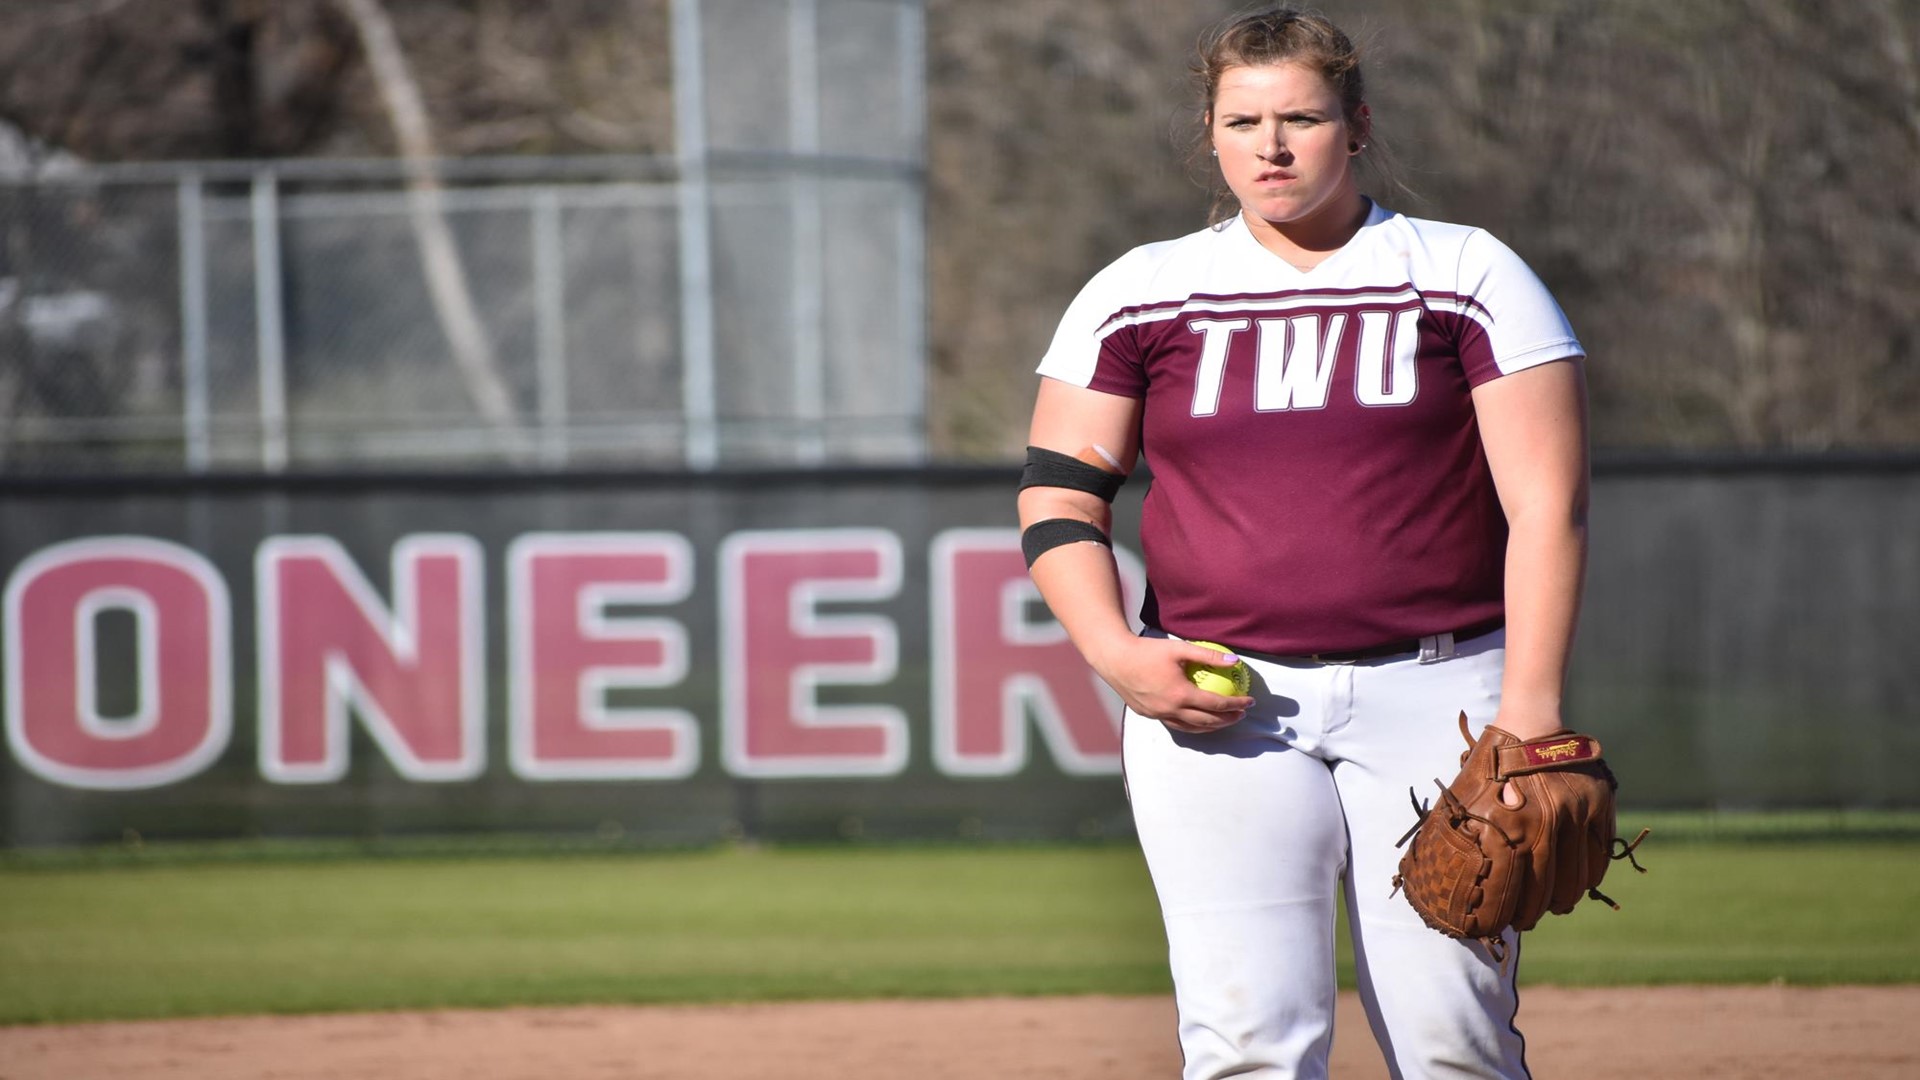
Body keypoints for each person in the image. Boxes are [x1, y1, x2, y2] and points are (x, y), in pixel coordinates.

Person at [1016, 7, 1590, 1078]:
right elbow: (1058, 495)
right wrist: (1114, 652)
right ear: (1210, 133)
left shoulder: (1464, 272)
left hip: (1443, 694)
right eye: (1243, 121)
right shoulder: (1142, 290)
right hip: (1222, 699)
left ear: (1357, 124)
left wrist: (1531, 715)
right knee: (1246, 1046)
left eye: (1301, 118)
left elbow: (1546, 508)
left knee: (1453, 1043)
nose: (1270, 146)